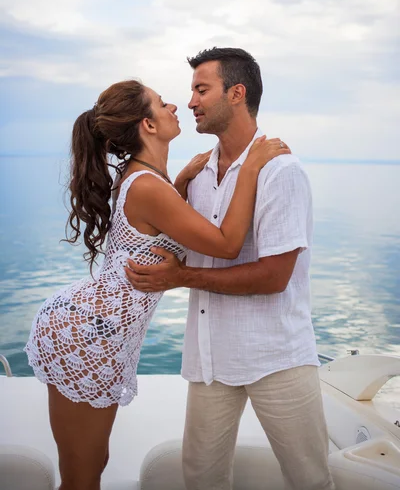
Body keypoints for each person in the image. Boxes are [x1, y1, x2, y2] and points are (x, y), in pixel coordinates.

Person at [24, 79, 289, 490]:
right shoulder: (147, 185)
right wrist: (252, 165)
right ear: (148, 125)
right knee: (83, 474)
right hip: (88, 334)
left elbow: (154, 230)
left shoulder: (146, 178)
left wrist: (180, 181)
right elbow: (226, 244)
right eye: (163, 104)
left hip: (100, 328)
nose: (175, 107)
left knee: (93, 463)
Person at [125, 48, 335, 490]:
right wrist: (179, 182)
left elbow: (274, 277)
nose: (191, 101)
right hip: (210, 358)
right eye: (192, 91)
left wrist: (183, 277)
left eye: (202, 89)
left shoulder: (280, 172)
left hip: (277, 356)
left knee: (309, 480)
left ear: (236, 93)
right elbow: (178, 241)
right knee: (201, 478)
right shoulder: (199, 174)